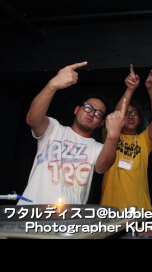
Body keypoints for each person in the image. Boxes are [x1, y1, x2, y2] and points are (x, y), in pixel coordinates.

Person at [18, 61, 126, 205]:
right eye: (88, 107)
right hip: (32, 212)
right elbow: (32, 119)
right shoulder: (54, 129)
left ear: (101, 123)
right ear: (76, 110)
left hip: (69, 217)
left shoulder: (97, 148)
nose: (91, 113)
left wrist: (113, 135)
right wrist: (52, 85)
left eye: (98, 113)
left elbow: (102, 167)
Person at [100, 64, 152, 210]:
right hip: (111, 208)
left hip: (140, 207)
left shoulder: (144, 140)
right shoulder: (111, 136)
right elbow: (117, 115)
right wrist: (130, 89)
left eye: (134, 113)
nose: (130, 116)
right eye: (127, 113)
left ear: (140, 119)